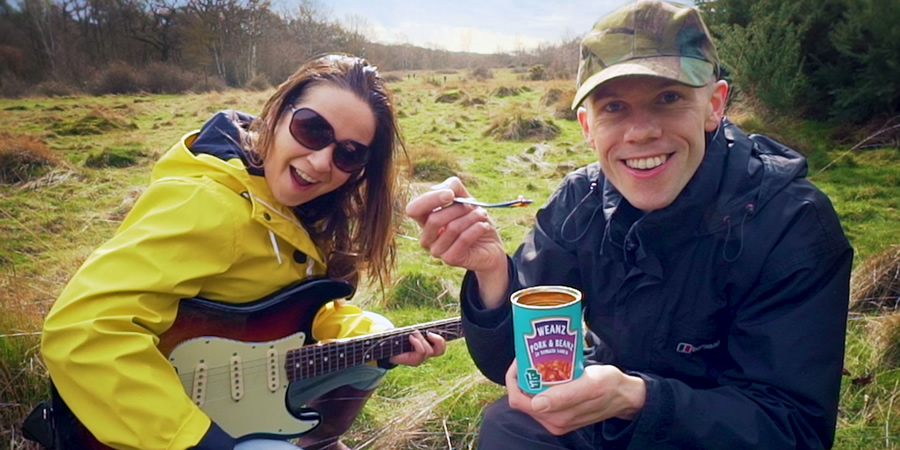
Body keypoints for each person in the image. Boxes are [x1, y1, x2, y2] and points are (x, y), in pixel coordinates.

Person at [406, 1, 852, 448]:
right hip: (607, 423)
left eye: (669, 98)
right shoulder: (579, 203)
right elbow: (518, 362)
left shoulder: (792, 224)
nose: (640, 132)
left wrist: (638, 400)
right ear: (587, 126)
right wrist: (491, 272)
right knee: (510, 424)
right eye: (614, 107)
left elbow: (794, 428)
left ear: (714, 105)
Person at [39, 54, 446, 450]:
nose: (322, 162)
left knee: (373, 326)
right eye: (312, 129)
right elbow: (83, 331)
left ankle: (319, 440)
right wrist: (199, 442)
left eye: (349, 153)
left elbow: (293, 304)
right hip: (159, 425)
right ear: (277, 113)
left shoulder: (298, 207)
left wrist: (378, 342)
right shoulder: (208, 205)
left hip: (236, 384)